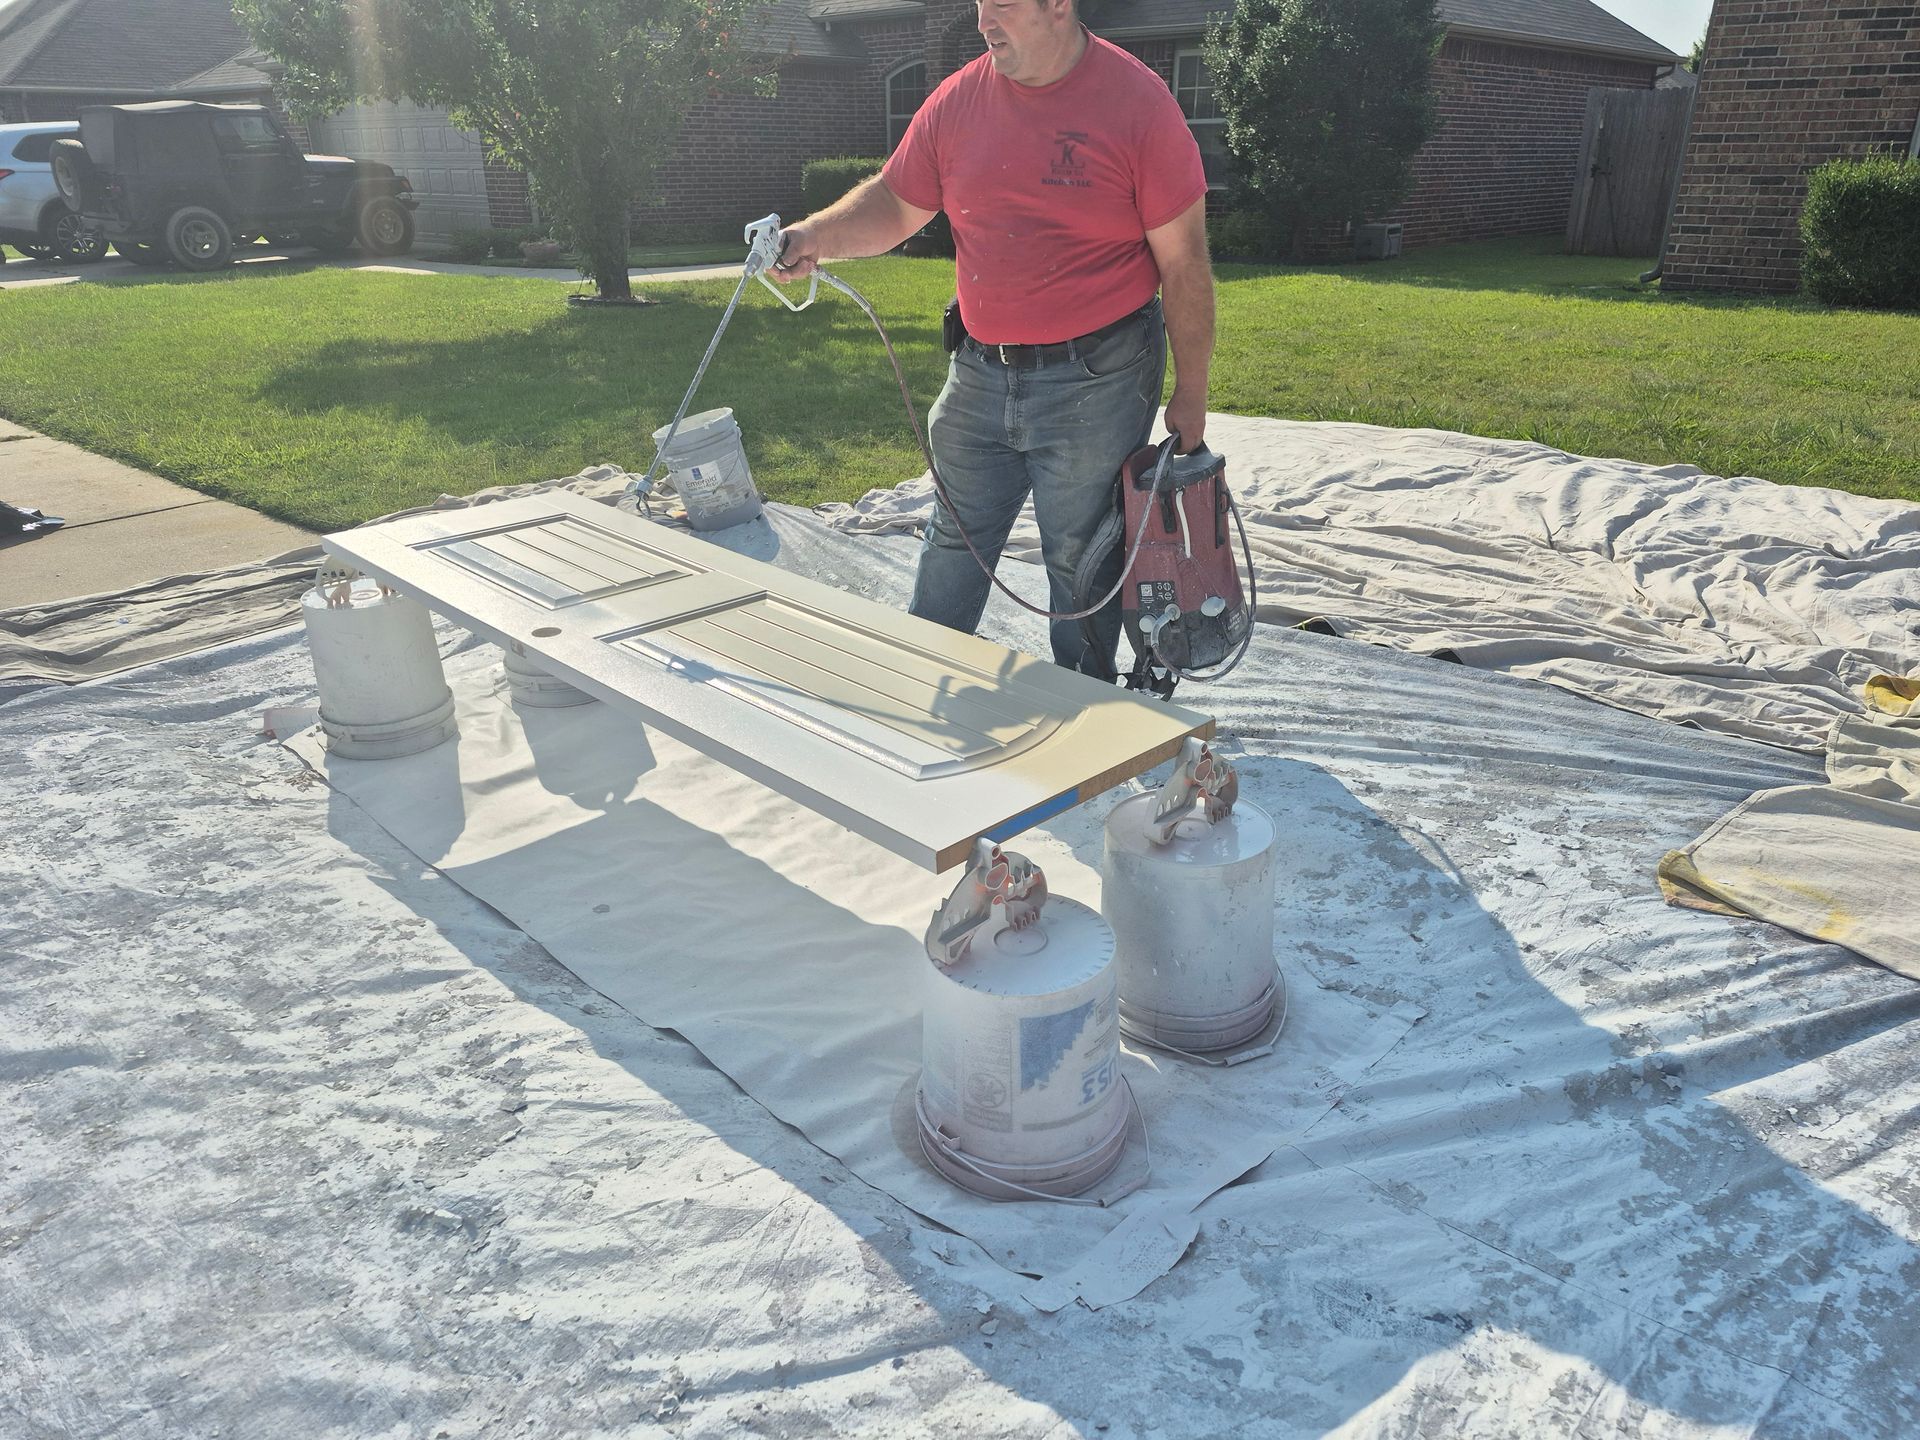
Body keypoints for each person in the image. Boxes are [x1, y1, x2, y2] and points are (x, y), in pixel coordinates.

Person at [774, 0, 1215, 678]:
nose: (983, 20)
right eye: (980, 3)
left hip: (1096, 378)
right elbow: (895, 201)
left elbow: (1184, 263)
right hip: (979, 374)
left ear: (1058, 5)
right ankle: (923, 690)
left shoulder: (1137, 105)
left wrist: (1191, 395)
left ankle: (1087, 716)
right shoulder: (958, 103)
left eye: (1002, 4)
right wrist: (814, 237)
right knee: (954, 537)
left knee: (1079, 556)